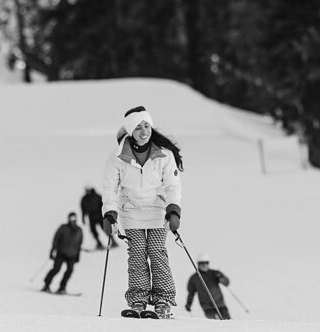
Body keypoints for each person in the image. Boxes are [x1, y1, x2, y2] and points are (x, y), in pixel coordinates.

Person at [101, 105, 184, 318]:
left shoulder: (163, 155)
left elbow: (173, 185)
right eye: (138, 127)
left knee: (157, 252)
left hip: (157, 211)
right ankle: (138, 298)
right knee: (137, 256)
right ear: (130, 131)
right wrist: (109, 213)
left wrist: (173, 210)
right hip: (131, 212)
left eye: (147, 126)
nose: (144, 131)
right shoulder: (117, 156)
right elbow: (110, 187)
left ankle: (163, 298)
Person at [41, 212, 84, 294]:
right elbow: (56, 239)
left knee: (69, 270)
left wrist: (78, 255)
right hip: (61, 252)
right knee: (56, 269)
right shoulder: (63, 228)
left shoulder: (79, 230)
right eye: (71, 218)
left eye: (74, 218)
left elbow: (79, 243)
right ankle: (46, 284)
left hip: (72, 254)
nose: (72, 220)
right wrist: (53, 250)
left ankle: (62, 287)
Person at [185, 254, 231, 319]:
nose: (204, 265)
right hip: (207, 307)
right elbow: (191, 293)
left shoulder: (215, 273)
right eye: (201, 263)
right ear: (198, 264)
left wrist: (221, 277)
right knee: (213, 325)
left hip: (220, 304)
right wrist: (189, 304)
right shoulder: (194, 278)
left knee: (227, 323)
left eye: (206, 263)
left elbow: (227, 283)